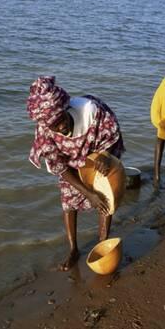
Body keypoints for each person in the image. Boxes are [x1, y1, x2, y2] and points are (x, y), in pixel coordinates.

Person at [27, 76, 125, 271]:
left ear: (65, 109)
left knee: (106, 193)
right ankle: (73, 249)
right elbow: (60, 168)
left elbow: (111, 132)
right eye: (55, 126)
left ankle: (102, 243)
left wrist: (104, 156)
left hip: (98, 149)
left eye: (62, 119)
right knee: (68, 198)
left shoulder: (90, 110)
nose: (61, 126)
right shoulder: (45, 132)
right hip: (68, 161)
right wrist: (88, 193)